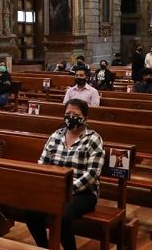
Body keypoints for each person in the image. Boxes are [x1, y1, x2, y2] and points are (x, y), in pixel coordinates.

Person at [25, 99, 104, 250]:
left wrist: (67, 189)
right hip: (54, 188)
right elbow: (43, 161)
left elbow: (93, 173)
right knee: (30, 210)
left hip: (83, 192)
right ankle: (44, 246)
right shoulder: (56, 135)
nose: (71, 117)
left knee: (62, 214)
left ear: (85, 118)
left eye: (76, 114)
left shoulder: (93, 139)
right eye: (68, 114)